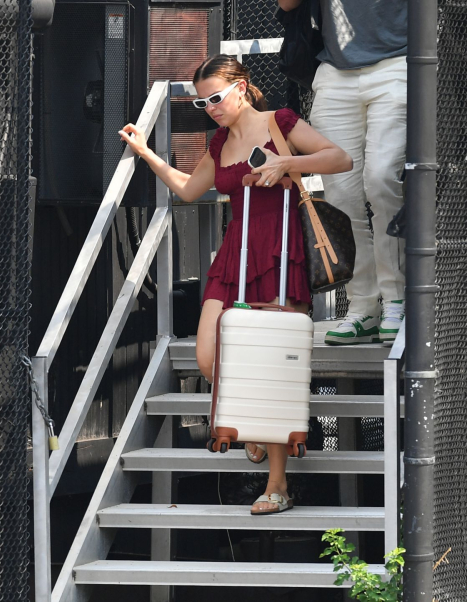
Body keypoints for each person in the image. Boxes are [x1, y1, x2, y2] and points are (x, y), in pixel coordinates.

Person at [119, 54, 352, 515]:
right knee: (209, 356)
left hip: (279, 252)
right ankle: (254, 427)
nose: (211, 107)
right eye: (203, 101)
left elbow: (339, 158)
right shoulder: (219, 141)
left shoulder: (279, 122)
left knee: (268, 366)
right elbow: (189, 190)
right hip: (234, 254)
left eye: (217, 97)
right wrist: (146, 153)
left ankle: (278, 486)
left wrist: (286, 163)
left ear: (241, 87)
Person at [278, 0, 407, 345]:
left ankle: (396, 299)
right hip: (335, 71)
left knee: (381, 179)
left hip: (397, 62)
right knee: (339, 195)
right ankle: (362, 306)